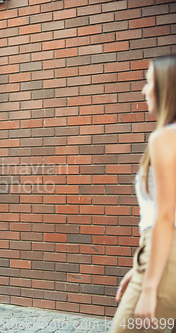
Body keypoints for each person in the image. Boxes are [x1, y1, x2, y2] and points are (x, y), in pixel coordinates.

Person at [111, 56, 176, 332]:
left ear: (166, 88)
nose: (144, 90)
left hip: (164, 259)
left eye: (149, 82)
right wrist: (138, 268)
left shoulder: (164, 138)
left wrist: (149, 287)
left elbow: (165, 217)